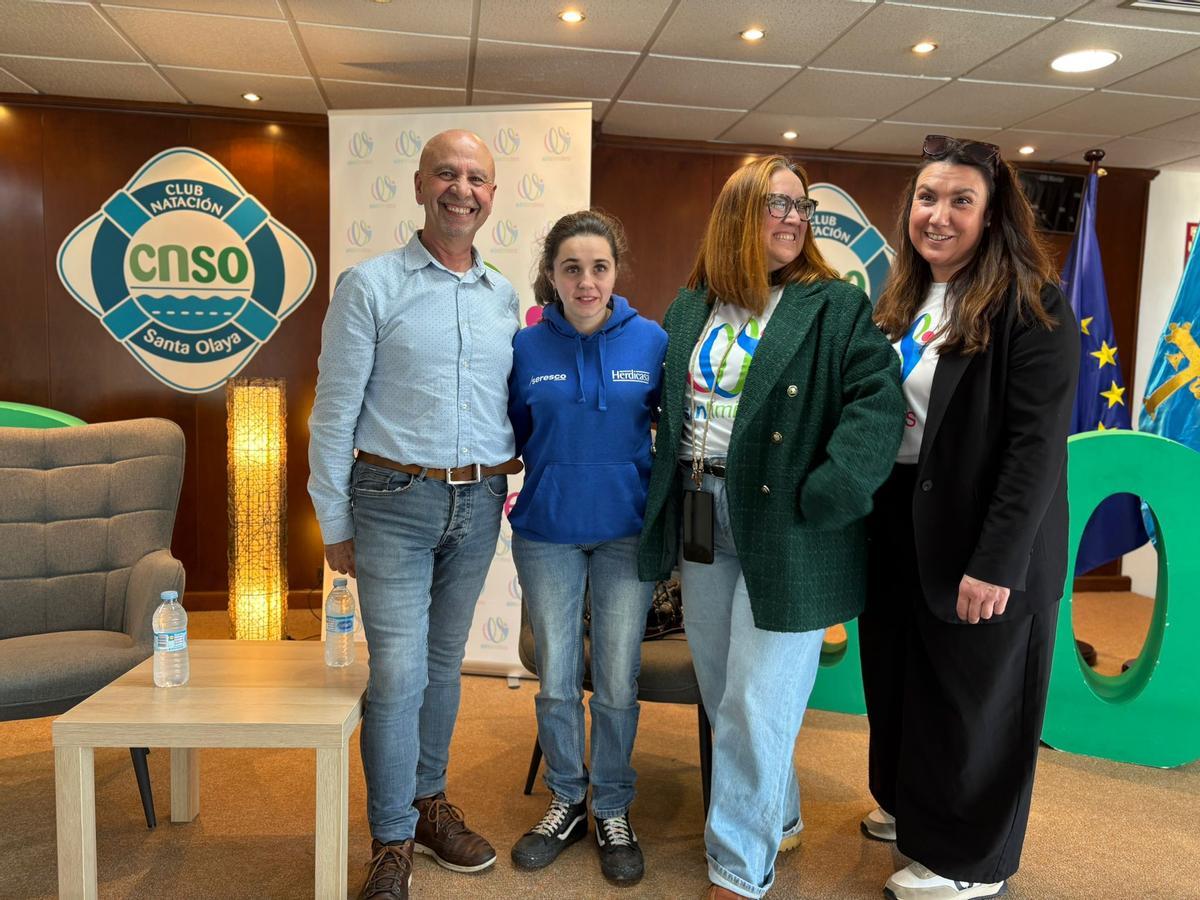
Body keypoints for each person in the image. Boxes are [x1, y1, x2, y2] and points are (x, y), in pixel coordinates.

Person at [638, 155, 904, 899]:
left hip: (790, 522)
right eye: (775, 204)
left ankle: (737, 868)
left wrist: (832, 491)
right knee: (727, 692)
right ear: (736, 216)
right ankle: (778, 818)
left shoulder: (834, 306)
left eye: (800, 207)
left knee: (759, 703)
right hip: (702, 513)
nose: (792, 218)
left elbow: (878, 401)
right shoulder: (692, 306)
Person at [858, 135, 1080, 900]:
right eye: (926, 197)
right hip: (900, 522)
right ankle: (918, 811)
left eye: (960, 200)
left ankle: (970, 863)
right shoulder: (898, 301)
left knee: (976, 702)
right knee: (906, 685)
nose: (938, 215)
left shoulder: (1031, 304)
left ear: (992, 217)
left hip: (983, 533)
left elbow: (1035, 451)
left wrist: (996, 563)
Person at [308, 129, 521, 900]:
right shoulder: (369, 286)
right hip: (391, 501)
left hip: (479, 500)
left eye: (478, 178)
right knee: (397, 675)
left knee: (442, 667)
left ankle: (429, 805)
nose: (463, 189)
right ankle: (391, 837)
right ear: (421, 186)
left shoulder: (505, 295)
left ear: (492, 195)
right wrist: (333, 521)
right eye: (447, 174)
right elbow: (333, 416)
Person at [505, 209, 667, 885]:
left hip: (625, 536)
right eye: (571, 267)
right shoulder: (524, 347)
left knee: (620, 680)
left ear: (615, 271)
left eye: (599, 267)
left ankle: (614, 808)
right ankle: (568, 800)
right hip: (546, 535)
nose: (586, 281)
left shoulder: (652, 341)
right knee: (558, 678)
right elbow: (514, 431)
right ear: (551, 274)